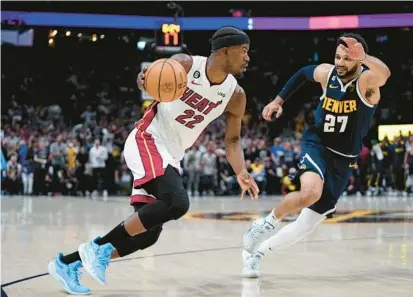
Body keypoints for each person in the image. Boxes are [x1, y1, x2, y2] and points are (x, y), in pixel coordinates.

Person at [47, 26, 259, 295]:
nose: (248, 57)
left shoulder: (235, 95)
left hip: (171, 154)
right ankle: (96, 249)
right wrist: (143, 78)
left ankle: (67, 264)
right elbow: (151, 77)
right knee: (177, 202)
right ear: (225, 51)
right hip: (148, 139)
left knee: (147, 234)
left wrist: (241, 171)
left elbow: (232, 141)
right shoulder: (184, 64)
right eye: (243, 51)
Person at [241, 33, 391, 278]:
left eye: (347, 59)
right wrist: (279, 101)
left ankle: (256, 255)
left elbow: (384, 74)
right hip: (317, 143)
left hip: (344, 157)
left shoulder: (367, 83)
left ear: (360, 61)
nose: (341, 62)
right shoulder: (327, 73)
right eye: (338, 57)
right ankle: (264, 225)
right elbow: (302, 73)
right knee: (310, 192)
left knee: (306, 224)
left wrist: (363, 57)